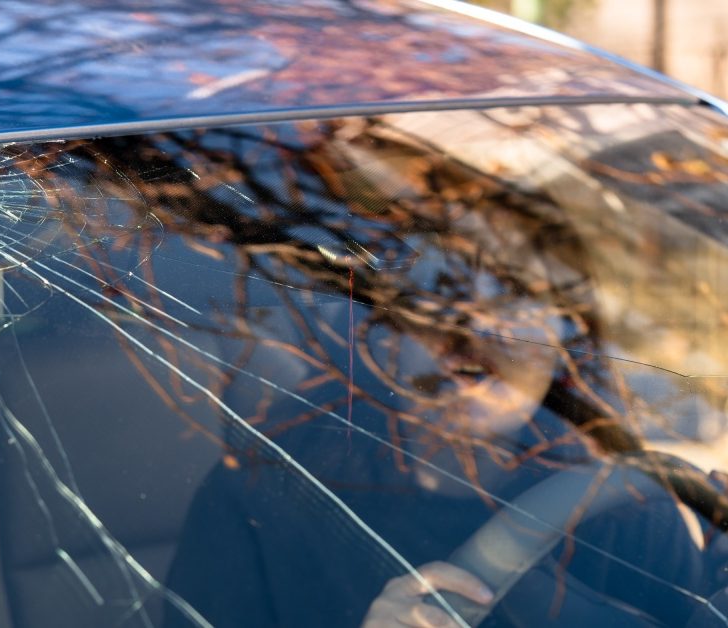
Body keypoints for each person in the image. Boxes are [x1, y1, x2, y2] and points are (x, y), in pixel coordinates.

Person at [162, 213, 728, 627]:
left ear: (560, 337)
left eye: (512, 304)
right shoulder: (267, 495)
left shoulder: (622, 504)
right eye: (436, 307)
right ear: (382, 337)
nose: (473, 343)